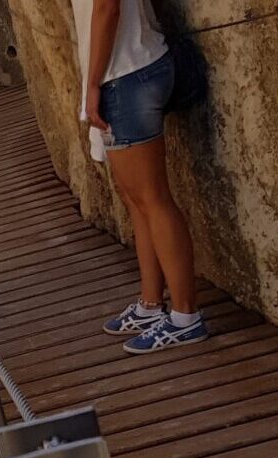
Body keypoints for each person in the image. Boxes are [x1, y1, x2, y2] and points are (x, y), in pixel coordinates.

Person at [74, 0, 206, 354]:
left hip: (125, 74)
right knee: (138, 200)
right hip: (131, 68)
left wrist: (93, 86)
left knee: (152, 198)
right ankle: (151, 304)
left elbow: (106, 8)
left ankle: (185, 316)